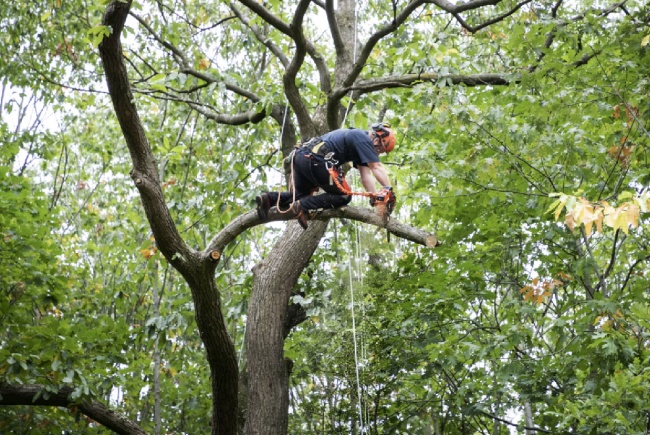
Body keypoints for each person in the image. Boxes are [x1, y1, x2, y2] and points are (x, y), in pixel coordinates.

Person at [255, 122, 397, 229]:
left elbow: (365, 174)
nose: (378, 153)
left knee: (300, 195)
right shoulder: (362, 138)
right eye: (380, 149)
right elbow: (376, 166)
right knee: (343, 196)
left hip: (302, 158)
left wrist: (373, 197)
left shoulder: (359, 143)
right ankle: (302, 206)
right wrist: (388, 189)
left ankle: (268, 199)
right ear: (378, 139)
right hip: (316, 159)